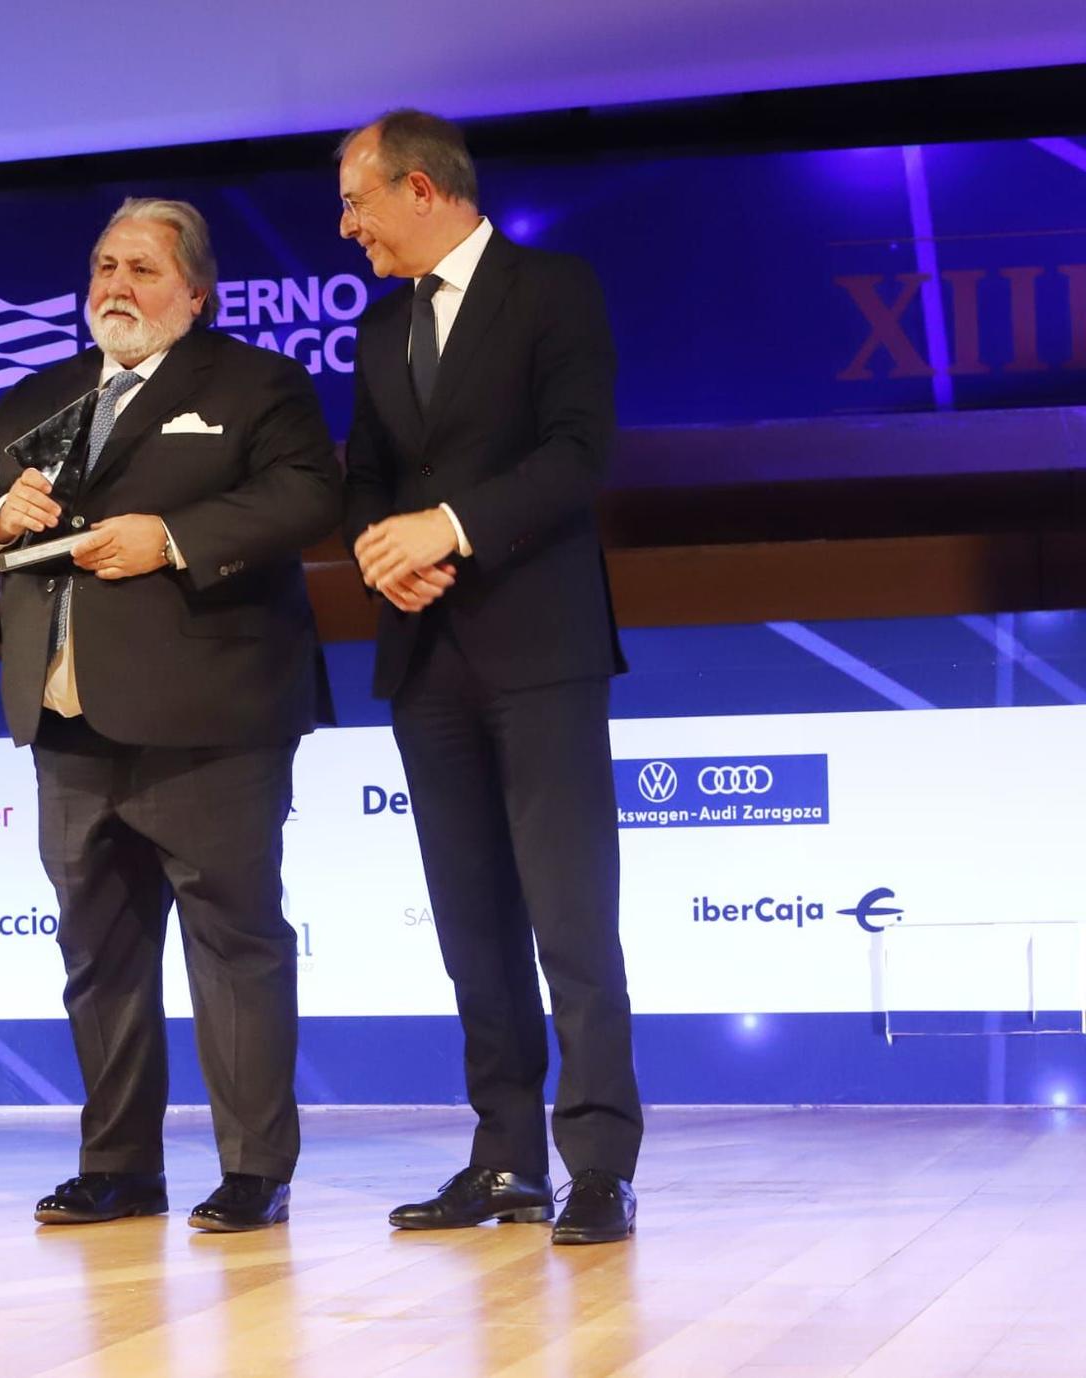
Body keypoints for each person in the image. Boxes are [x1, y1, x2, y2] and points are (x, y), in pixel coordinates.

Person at [0, 198, 340, 1233]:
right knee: (97, 956)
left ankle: (253, 1167)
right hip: (67, 724)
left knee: (233, 945)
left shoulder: (256, 386)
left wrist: (167, 535)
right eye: (103, 266)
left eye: (144, 270)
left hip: (210, 723)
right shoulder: (37, 398)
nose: (116, 286)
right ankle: (116, 1162)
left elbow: (306, 497)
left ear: (195, 293)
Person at [336, 110, 642, 1245]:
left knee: (569, 917)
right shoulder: (378, 329)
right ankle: (504, 1156)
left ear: (420, 188)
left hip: (539, 649)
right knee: (471, 924)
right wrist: (384, 552)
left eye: (357, 201)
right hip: (423, 658)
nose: (345, 225)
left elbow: (575, 454)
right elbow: (361, 473)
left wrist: (445, 530)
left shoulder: (553, 289)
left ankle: (598, 1161)